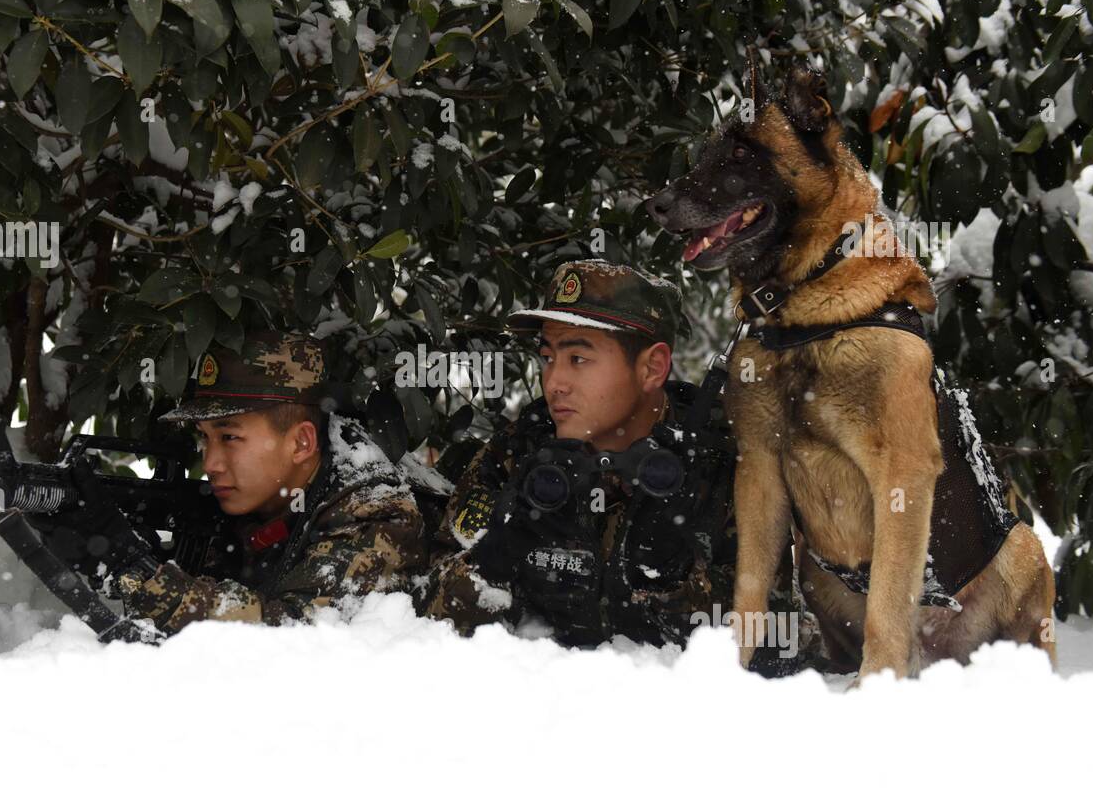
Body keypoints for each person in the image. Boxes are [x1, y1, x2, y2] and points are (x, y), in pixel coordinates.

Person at [419, 260, 743, 651]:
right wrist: (495, 558)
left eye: (578, 359)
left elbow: (785, 641)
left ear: (652, 368)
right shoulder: (517, 454)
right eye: (548, 357)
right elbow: (424, 622)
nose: (554, 382)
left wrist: (674, 587)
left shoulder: (720, 467)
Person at [41, 332, 428, 634]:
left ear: (301, 442)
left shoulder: (376, 512)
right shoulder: (265, 495)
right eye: (203, 437)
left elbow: (296, 639)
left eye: (229, 438)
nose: (210, 463)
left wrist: (140, 573)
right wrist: (108, 553)